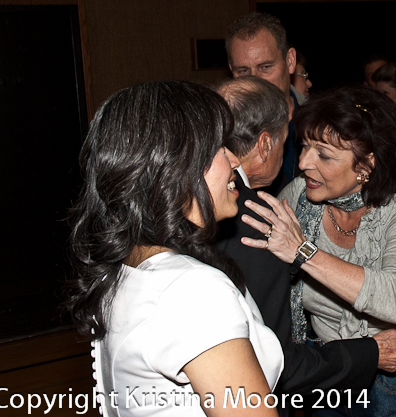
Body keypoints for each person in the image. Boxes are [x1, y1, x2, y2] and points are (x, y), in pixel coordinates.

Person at [64, 81, 284, 416]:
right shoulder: (190, 289)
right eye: (219, 148)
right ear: (177, 168)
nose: (234, 160)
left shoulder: (127, 268)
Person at [214, 77, 396, 413]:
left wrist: (303, 252)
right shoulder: (297, 197)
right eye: (303, 146)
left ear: (366, 164)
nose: (302, 163)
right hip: (331, 371)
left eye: (324, 155)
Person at [226, 12, 298, 188]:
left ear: (290, 60)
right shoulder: (221, 133)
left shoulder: (325, 120)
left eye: (265, 67)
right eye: (243, 71)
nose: (255, 81)